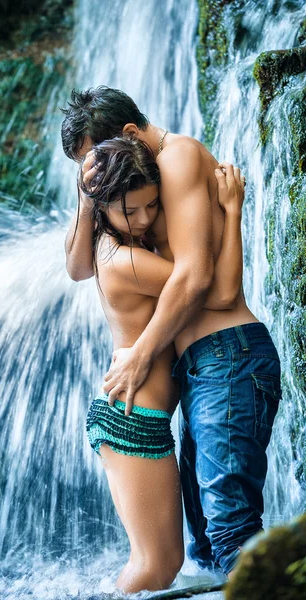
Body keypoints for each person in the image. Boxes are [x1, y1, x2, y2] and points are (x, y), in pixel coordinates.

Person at [60, 86, 282, 577]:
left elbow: (204, 282)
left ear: (130, 135)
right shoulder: (130, 198)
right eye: (87, 173)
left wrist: (142, 352)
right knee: (205, 546)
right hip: (201, 366)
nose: (94, 178)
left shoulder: (177, 158)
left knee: (227, 535)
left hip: (227, 353)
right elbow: (78, 269)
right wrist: (83, 198)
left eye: (94, 165)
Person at [79, 135, 245, 593]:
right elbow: (216, 291)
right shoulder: (124, 261)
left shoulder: (116, 246)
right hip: (134, 420)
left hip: (138, 415)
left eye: (152, 206)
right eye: (129, 212)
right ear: (102, 207)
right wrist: (231, 214)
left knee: (166, 561)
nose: (146, 219)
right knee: (155, 565)